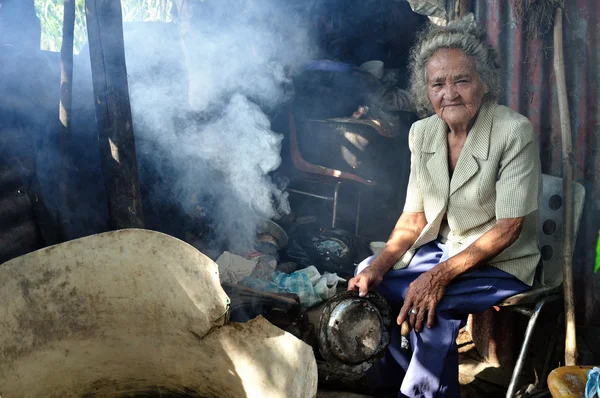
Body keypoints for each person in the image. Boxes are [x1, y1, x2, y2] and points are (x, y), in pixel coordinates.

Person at [348, 16, 542, 398]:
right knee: (370, 278)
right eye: (438, 83)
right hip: (444, 250)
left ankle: (423, 393)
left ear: (484, 83)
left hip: (501, 261)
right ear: (426, 91)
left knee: (430, 304)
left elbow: (509, 228)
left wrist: (436, 277)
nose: (449, 93)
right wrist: (379, 265)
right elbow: (415, 216)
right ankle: (396, 382)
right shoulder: (422, 133)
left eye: (461, 80)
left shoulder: (513, 131)